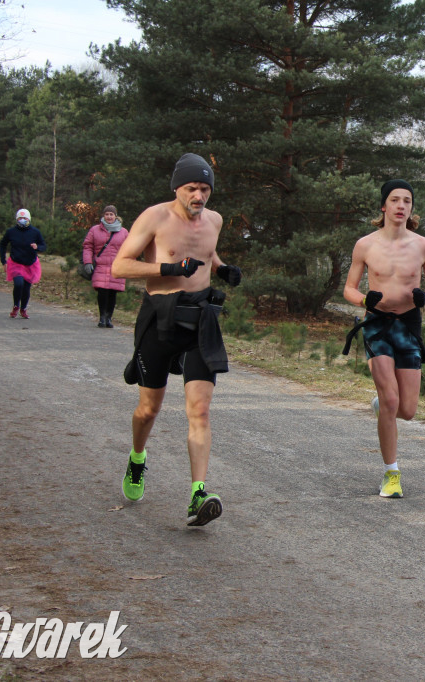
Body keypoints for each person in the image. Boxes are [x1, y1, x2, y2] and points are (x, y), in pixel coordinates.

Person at [111, 152, 243, 527]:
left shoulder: (214, 220)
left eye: (204, 189)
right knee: (148, 410)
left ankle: (197, 493)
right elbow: (120, 265)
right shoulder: (155, 217)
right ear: (176, 188)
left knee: (199, 410)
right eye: (191, 188)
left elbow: (208, 250)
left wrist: (222, 268)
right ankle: (138, 457)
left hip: (200, 319)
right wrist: (167, 268)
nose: (198, 196)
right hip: (160, 318)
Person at [342, 179, 425, 498]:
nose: (401, 205)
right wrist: (362, 301)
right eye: (395, 200)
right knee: (391, 398)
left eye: (407, 201)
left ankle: (383, 406)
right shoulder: (365, 244)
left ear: (412, 208)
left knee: (407, 409)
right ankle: (391, 474)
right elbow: (349, 288)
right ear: (383, 206)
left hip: (409, 325)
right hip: (378, 324)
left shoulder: (423, 245)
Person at [82, 205, 129, 328]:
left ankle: (109, 318)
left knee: (112, 292)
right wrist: (87, 262)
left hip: (116, 267)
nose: (109, 217)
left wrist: (128, 264)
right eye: (107, 214)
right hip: (100, 266)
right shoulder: (94, 230)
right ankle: (102, 316)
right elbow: (88, 246)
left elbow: (129, 249)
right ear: (103, 216)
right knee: (102, 291)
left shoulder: (123, 232)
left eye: (111, 214)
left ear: (115, 216)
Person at [0, 208, 46, 320]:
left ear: (29, 219)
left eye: (25, 218)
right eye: (20, 218)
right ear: (16, 219)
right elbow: (2, 244)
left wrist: (37, 247)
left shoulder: (35, 232)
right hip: (16, 262)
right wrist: (3, 261)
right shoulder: (11, 232)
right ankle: (16, 306)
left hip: (30, 264)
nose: (22, 220)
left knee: (26, 288)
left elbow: (43, 246)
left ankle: (23, 309)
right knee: (19, 284)